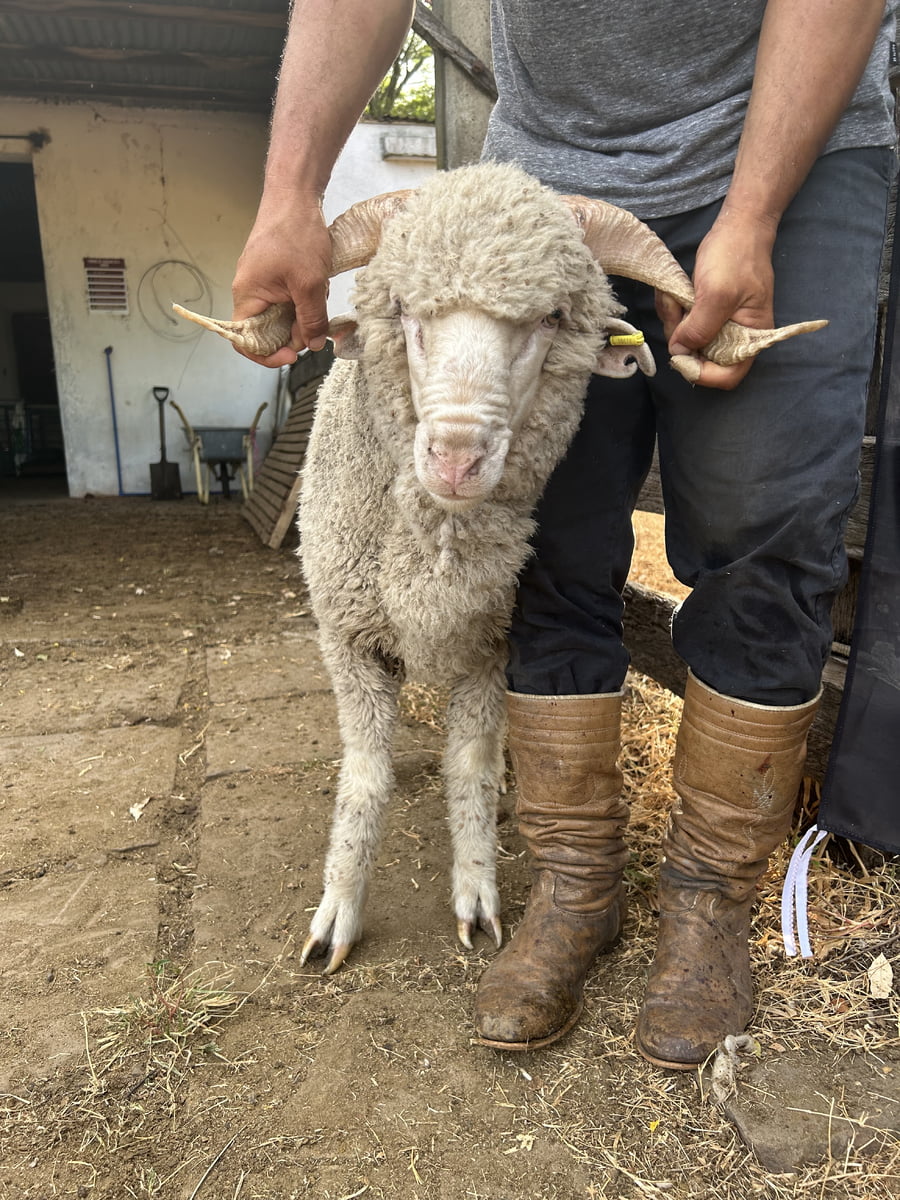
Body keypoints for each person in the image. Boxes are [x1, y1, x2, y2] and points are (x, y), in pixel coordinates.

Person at [231, 0, 898, 1068]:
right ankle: (576, 882)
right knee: (541, 538)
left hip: (786, 144)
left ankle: (708, 899)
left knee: (766, 525)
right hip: (540, 182)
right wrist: (288, 194)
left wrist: (755, 211)